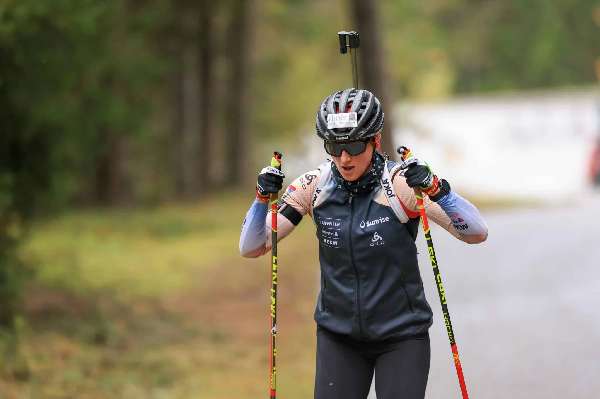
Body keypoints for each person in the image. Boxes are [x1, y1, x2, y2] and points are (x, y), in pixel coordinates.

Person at [239, 88, 488, 399]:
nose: (344, 158)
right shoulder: (315, 187)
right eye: (335, 146)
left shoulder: (399, 185)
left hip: (401, 336)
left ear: (374, 140)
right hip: (338, 337)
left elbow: (476, 232)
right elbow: (253, 246)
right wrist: (262, 199)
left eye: (355, 145)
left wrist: (437, 189)